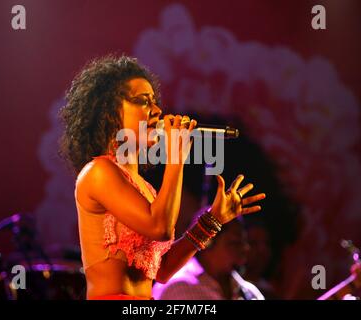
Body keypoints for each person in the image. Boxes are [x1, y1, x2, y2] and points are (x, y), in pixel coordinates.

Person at [58, 55, 266, 300]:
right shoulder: (98, 172)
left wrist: (213, 219)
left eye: (154, 102)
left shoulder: (143, 188)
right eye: (143, 101)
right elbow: (160, 228)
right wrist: (176, 156)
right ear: (110, 113)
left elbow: (163, 270)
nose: (157, 111)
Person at [153, 214, 264, 300]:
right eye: (235, 243)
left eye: (245, 243)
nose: (245, 249)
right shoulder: (177, 286)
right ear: (207, 242)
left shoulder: (249, 292)